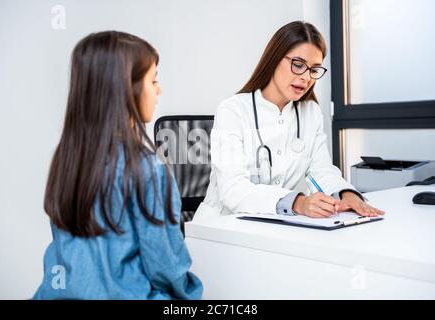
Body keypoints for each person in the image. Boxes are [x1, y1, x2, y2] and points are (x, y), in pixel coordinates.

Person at [33, 31, 202, 299]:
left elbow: (65, 254)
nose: (159, 89)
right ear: (126, 90)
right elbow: (166, 268)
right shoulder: (150, 169)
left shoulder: (67, 158)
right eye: (153, 80)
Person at [194, 21, 385, 220]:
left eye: (314, 69)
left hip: (272, 225)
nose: (306, 77)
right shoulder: (233, 110)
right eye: (298, 65)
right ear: (274, 59)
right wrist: (298, 202)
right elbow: (232, 189)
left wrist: (347, 195)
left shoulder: (309, 112)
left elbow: (321, 171)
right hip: (220, 227)